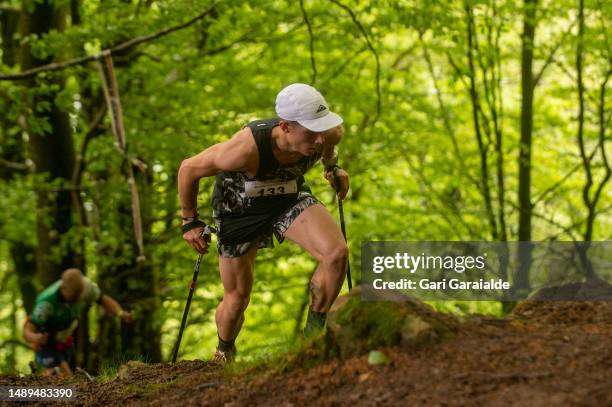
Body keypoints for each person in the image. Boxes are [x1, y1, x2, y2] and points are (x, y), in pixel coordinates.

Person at [178, 83, 350, 363]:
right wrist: (189, 221)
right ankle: (224, 351)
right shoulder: (244, 149)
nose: (319, 139)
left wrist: (332, 168)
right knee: (236, 299)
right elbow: (189, 168)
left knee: (336, 254)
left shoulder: (327, 134)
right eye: (310, 131)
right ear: (285, 127)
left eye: (322, 129)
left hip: (288, 197)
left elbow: (329, 148)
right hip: (238, 209)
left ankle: (313, 339)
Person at [23, 268, 133, 377]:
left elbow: (104, 300)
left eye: (79, 294)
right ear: (63, 288)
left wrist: (120, 313)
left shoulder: (87, 288)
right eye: (73, 296)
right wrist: (36, 338)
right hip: (47, 340)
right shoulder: (46, 303)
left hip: (66, 338)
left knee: (70, 374)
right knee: (63, 374)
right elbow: (27, 330)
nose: (78, 298)